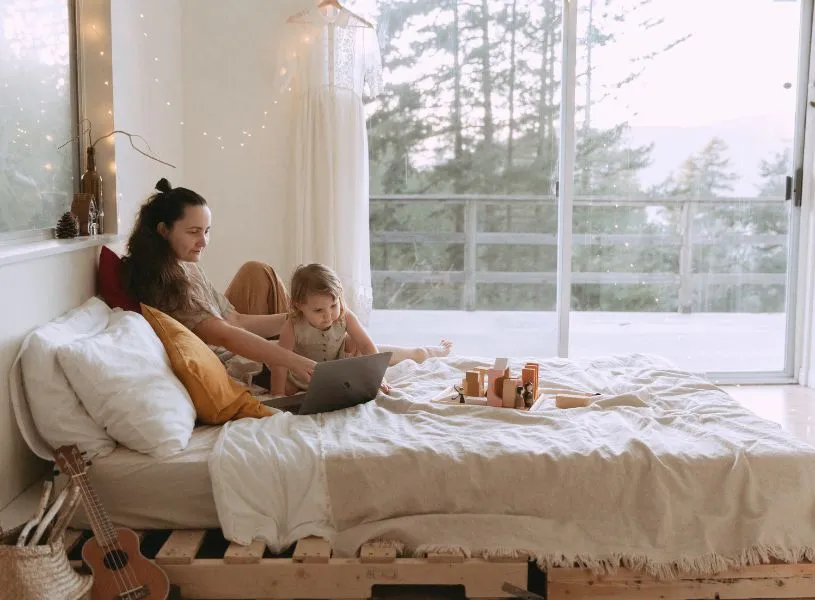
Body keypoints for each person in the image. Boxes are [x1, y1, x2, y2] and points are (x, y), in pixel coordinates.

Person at [121, 178, 451, 392]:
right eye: (194, 232)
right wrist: (293, 358)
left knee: (317, 316)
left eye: (207, 231)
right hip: (243, 362)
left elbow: (235, 319)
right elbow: (224, 332)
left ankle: (414, 351)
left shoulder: (186, 266)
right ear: (164, 231)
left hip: (246, 335)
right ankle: (417, 353)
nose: (204, 242)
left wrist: (308, 314)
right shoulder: (163, 283)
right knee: (337, 346)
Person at [271, 263, 394, 396]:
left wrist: (380, 377)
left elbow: (366, 344)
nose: (328, 315)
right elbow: (280, 360)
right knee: (287, 389)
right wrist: (277, 394)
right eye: (319, 310)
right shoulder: (293, 324)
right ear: (299, 305)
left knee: (356, 346)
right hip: (301, 376)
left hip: (336, 370)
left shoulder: (345, 315)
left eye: (333, 305)